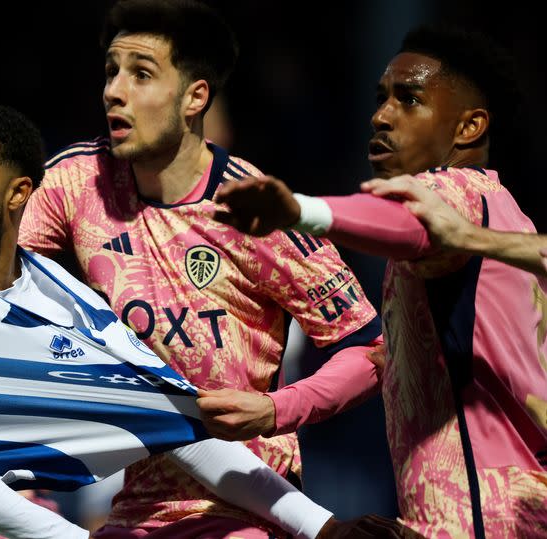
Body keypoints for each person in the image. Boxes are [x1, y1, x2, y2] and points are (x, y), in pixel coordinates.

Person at [0, 1, 416, 536]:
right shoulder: (76, 181)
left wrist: (277, 409)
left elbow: (369, 349)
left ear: (195, 96)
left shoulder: (255, 210)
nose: (113, 91)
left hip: (248, 511)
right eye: (110, 72)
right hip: (131, 511)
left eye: (140, 74)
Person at [202, 24, 547, 537]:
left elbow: (409, 223)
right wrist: (277, 410)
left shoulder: (453, 193)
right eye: (381, 97)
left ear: (469, 127)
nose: (380, 116)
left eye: (409, 100)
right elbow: (384, 358)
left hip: (480, 519)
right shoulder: (509, 217)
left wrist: (300, 209)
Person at [361, 175, 547, 278]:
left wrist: (464, 236)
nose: (379, 118)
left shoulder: (458, 187)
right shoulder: (490, 188)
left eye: (410, 102)